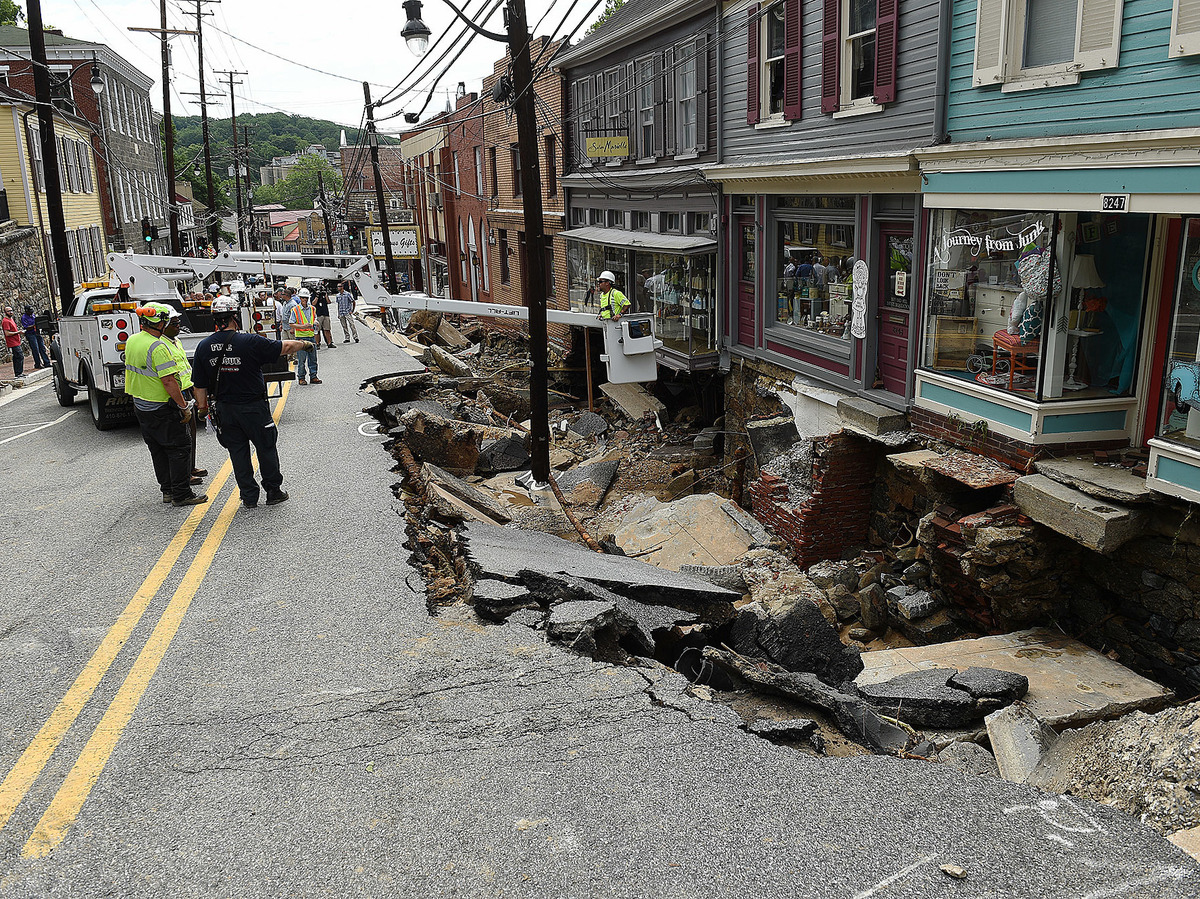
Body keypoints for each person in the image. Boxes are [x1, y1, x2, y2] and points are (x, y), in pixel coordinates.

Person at [192, 296, 312, 508]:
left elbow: (199, 385)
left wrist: (202, 409)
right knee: (266, 448)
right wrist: (304, 344)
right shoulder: (249, 341)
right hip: (253, 408)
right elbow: (283, 347)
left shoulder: (203, 347)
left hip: (225, 410)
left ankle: (249, 496)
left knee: (238, 453)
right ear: (235, 318)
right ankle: (273, 491)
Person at [123, 302, 207, 507]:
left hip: (141, 406)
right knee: (179, 448)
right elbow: (168, 381)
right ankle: (181, 494)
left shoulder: (133, 340)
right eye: (165, 320)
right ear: (159, 322)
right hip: (162, 406)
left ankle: (168, 490)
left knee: (158, 450)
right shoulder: (158, 346)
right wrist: (183, 406)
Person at [163, 311, 208, 485]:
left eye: (178, 322)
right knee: (182, 435)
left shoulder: (176, 341)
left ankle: (190, 466)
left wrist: (195, 393)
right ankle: (183, 474)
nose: (178, 326)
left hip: (187, 388)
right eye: (174, 324)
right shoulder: (162, 345)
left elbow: (185, 368)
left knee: (192, 431)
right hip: (176, 392)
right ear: (164, 325)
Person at [288, 289, 321, 385]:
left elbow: (314, 318)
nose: (304, 300)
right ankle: (301, 377)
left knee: (313, 359)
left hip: (311, 336)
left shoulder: (312, 309)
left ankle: (313, 376)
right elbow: (291, 323)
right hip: (301, 338)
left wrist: (315, 322)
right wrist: (303, 326)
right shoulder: (295, 309)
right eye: (303, 298)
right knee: (302, 360)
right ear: (300, 298)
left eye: (306, 298)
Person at [20, 305, 49, 369]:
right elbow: (26, 327)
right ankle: (38, 364)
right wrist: (34, 325)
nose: (31, 312)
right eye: (30, 311)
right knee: (35, 349)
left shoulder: (33, 315)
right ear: (26, 311)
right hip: (31, 334)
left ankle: (47, 362)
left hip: (37, 333)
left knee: (42, 348)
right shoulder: (24, 317)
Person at [2, 305, 23, 378]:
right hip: (12, 342)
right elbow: (7, 333)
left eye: (11, 310)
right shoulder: (5, 321)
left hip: (16, 341)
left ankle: (19, 373)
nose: (11, 312)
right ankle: (18, 373)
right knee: (20, 356)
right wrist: (18, 332)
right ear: (5, 312)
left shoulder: (11, 319)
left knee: (17, 357)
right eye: (8, 311)